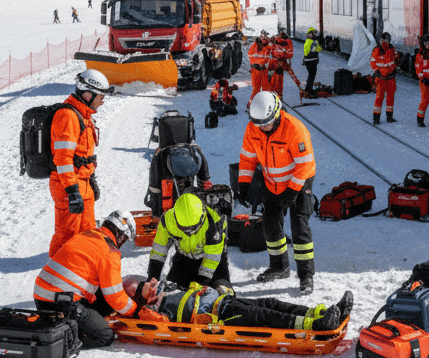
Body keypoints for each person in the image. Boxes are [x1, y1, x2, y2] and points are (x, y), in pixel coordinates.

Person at [238, 92, 318, 294]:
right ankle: (279, 267)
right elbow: (248, 158)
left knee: (299, 225)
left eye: (266, 122)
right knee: (270, 224)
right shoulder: (252, 129)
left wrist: (292, 192)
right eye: (258, 123)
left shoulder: (294, 129)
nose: (262, 127)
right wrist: (244, 184)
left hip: (299, 181)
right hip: (272, 182)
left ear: (276, 112)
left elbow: (305, 164)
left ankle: (306, 275)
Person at [33, 210, 139, 348]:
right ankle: (63, 341)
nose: (122, 243)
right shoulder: (109, 250)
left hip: (42, 297)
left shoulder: (86, 235)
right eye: (124, 239)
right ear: (120, 234)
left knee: (101, 298)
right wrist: (135, 311)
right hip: (62, 304)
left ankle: (77, 321)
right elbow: (114, 296)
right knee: (105, 337)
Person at [124, 276, 353, 331]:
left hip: (225, 301)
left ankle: (320, 312)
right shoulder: (152, 310)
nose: (151, 282)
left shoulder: (167, 290)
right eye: (145, 285)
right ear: (141, 296)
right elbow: (158, 325)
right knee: (262, 314)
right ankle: (316, 326)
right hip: (220, 315)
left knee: (270, 302)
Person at [48, 70, 112, 256]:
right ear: (87, 94)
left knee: (88, 234)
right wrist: (72, 191)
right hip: (67, 186)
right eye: (100, 96)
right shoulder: (68, 116)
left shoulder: (83, 114)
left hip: (83, 184)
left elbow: (83, 154)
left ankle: (81, 272)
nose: (102, 100)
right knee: (66, 236)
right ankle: (56, 277)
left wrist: (91, 179)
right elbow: (63, 159)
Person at [144, 143, 212, 216]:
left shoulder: (160, 156)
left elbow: (154, 186)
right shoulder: (196, 152)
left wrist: (156, 211)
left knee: (160, 188)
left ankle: (159, 213)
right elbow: (204, 178)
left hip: (168, 212)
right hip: (194, 212)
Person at [370, 32, 398, 124]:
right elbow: (373, 62)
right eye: (384, 40)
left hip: (390, 77)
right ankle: (376, 118)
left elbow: (395, 61)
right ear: (381, 40)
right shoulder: (377, 50)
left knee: (390, 97)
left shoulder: (391, 49)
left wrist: (395, 67)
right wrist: (376, 70)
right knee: (379, 97)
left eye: (387, 40)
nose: (386, 42)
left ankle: (389, 117)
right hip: (381, 78)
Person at [248, 30, 273, 99]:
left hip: (264, 69)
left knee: (266, 88)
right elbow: (249, 56)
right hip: (255, 70)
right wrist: (254, 64)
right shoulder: (254, 46)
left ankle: (268, 102)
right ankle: (251, 104)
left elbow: (271, 57)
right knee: (256, 89)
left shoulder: (268, 46)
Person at [271, 29, 294, 97]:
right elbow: (289, 54)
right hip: (278, 62)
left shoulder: (280, 41)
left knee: (277, 78)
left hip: (278, 62)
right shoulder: (284, 41)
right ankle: (277, 94)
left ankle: (275, 93)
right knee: (277, 78)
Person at [302, 28, 320, 93]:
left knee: (310, 75)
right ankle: (309, 89)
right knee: (312, 75)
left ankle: (308, 88)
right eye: (314, 33)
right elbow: (319, 49)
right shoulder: (314, 42)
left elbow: (305, 52)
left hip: (307, 60)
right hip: (312, 60)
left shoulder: (307, 41)